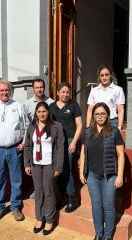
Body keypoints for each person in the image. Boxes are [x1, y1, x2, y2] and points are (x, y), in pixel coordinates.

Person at [0, 79, 30, 222]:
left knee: (16, 181)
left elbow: (27, 126)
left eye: (7, 90)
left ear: (11, 91)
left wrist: (23, 142)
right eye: (1, 90)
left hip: (14, 150)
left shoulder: (18, 106)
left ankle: (15, 208)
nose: (4, 92)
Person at [79, 102, 125, 240]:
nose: (100, 116)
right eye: (97, 114)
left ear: (108, 115)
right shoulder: (87, 132)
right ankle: (98, 234)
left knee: (109, 206)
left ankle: (108, 235)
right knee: (96, 205)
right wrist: (81, 172)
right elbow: (83, 153)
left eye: (103, 113)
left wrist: (120, 176)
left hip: (109, 175)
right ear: (93, 116)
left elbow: (121, 154)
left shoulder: (114, 131)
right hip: (92, 174)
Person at [24, 102, 64, 235]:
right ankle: (39, 218)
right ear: (36, 113)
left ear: (48, 112)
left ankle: (49, 219)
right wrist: (27, 164)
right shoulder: (31, 127)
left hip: (49, 164)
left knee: (48, 191)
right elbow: (28, 146)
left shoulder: (56, 126)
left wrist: (58, 166)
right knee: (39, 191)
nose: (42, 114)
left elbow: (60, 148)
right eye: (39, 111)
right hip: (36, 164)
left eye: (44, 111)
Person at [49, 82, 83, 213]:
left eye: (67, 92)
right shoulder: (51, 106)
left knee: (67, 169)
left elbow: (79, 125)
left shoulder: (74, 106)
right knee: (57, 170)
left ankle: (71, 199)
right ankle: (61, 197)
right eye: (62, 92)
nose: (65, 94)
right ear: (58, 93)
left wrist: (74, 142)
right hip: (55, 142)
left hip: (69, 141)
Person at [24, 79, 55, 199]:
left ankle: (49, 192)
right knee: (35, 166)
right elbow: (25, 124)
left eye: (41, 87)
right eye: (37, 87)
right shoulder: (27, 105)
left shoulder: (51, 102)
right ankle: (36, 189)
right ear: (33, 89)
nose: (40, 89)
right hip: (33, 140)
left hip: (47, 140)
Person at [86, 65, 125, 130]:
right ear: (99, 77)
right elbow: (89, 110)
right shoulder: (94, 91)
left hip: (112, 122)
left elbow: (120, 110)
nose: (104, 77)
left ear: (111, 75)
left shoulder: (118, 90)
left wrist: (119, 127)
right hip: (97, 122)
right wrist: (87, 127)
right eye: (102, 75)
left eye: (106, 75)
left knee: (110, 140)